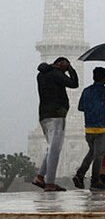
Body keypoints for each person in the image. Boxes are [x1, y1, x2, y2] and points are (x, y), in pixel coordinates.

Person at [73, 67, 105, 191]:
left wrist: (92, 109)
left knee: (92, 153)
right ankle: (95, 181)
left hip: (89, 129)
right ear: (104, 78)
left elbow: (80, 107)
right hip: (101, 130)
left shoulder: (86, 91)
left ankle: (80, 174)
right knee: (98, 156)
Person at [34, 57, 79, 192]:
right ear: (60, 64)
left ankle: (40, 177)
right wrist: (71, 69)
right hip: (56, 115)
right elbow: (74, 83)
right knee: (55, 149)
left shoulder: (41, 75)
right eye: (65, 66)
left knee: (52, 147)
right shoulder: (56, 74)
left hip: (44, 116)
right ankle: (50, 183)